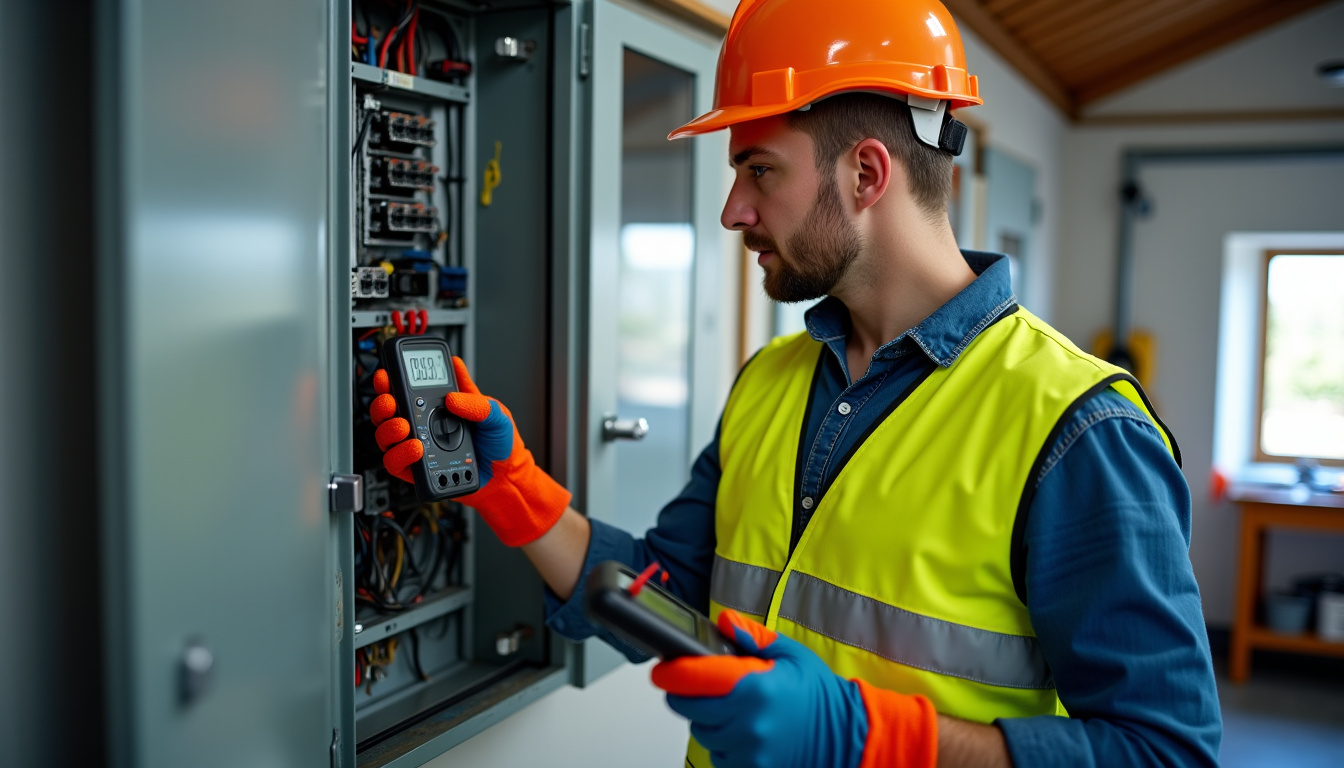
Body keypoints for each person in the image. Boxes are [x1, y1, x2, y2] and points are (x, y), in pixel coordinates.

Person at [369, 1, 1222, 765]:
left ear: (866, 174)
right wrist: (516, 494)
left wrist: (873, 739)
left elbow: (1164, 751)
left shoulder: (1077, 429)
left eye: (759, 169)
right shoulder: (771, 382)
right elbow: (671, 598)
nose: (733, 210)